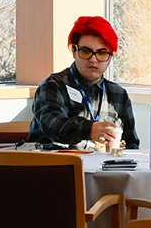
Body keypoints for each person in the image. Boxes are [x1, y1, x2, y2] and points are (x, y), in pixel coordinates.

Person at [28, 16, 139, 149]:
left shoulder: (118, 95)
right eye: (86, 51)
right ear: (74, 51)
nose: (93, 59)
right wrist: (89, 129)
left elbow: (131, 144)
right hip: (55, 166)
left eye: (102, 53)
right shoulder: (53, 86)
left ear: (111, 57)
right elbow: (54, 126)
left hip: (102, 168)